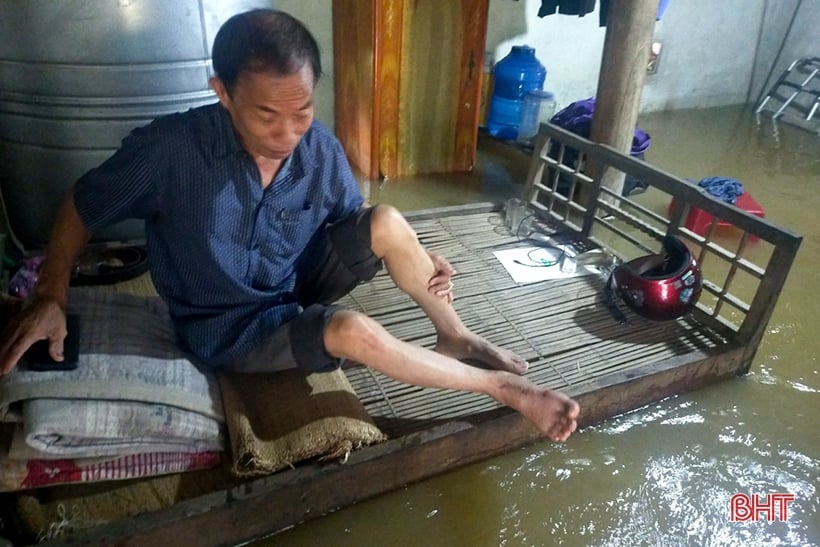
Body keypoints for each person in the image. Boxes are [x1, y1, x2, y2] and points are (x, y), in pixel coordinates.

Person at [0, 9, 579, 442]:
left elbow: (354, 223)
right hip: (228, 326)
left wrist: (415, 252)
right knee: (350, 329)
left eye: (301, 112)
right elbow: (82, 201)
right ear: (222, 94)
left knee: (388, 218)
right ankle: (503, 388)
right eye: (266, 114)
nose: (286, 133)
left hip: (291, 283)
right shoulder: (171, 151)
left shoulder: (316, 148)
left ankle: (455, 333)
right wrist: (51, 292)